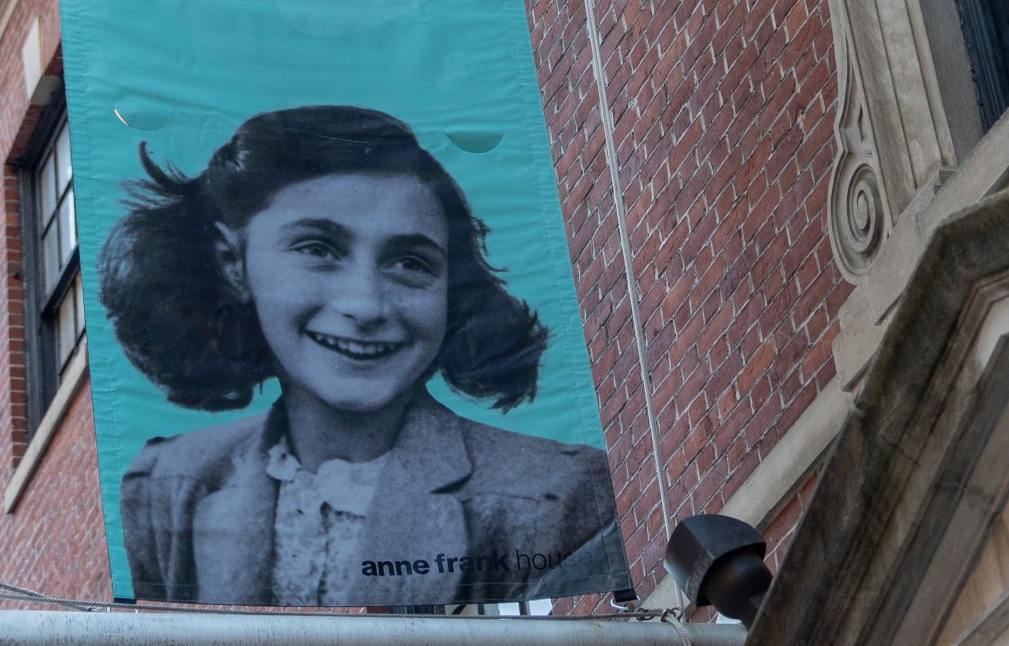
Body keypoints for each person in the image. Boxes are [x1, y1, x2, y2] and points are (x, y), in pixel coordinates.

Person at [101, 105, 622, 607]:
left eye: (410, 262)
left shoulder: (561, 494)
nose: (366, 305)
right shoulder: (166, 486)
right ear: (233, 264)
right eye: (318, 249)